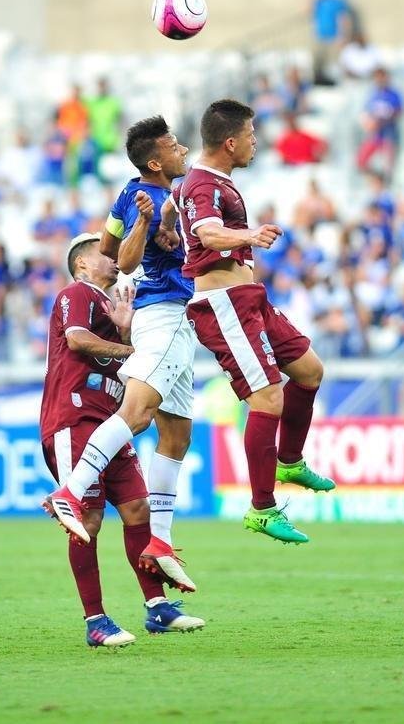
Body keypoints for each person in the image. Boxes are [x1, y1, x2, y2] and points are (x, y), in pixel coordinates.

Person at [44, 116, 198, 593]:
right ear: (155, 160)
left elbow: (113, 250)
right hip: (167, 310)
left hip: (172, 317)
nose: (182, 149)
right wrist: (152, 228)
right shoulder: (143, 201)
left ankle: (161, 545)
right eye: (173, 144)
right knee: (138, 416)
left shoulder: (128, 200)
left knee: (175, 434)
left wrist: (157, 231)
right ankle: (69, 494)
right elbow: (125, 259)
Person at [39, 232, 204, 647]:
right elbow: (78, 340)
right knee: (88, 520)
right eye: (103, 253)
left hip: (110, 423)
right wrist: (130, 350)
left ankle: (157, 608)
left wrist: (128, 332)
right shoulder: (77, 292)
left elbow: (121, 361)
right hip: (73, 420)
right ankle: (95, 620)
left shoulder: (115, 307)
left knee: (137, 509)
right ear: (81, 264)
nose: (113, 258)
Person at [180, 100, 334, 542]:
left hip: (249, 297)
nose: (255, 142)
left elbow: (180, 218)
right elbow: (207, 232)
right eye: (250, 135)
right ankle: (262, 509)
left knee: (309, 370)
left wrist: (169, 228)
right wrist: (248, 235)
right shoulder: (204, 186)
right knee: (267, 400)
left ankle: (290, 460)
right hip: (225, 303)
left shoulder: (205, 182)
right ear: (230, 143)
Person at [310, 0, 351, 84]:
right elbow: (307, 12)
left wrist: (343, 36)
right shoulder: (318, 1)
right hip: (320, 37)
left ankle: (335, 84)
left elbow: (343, 18)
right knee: (318, 62)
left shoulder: (335, 1)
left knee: (333, 64)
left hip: (333, 37)